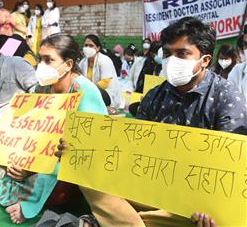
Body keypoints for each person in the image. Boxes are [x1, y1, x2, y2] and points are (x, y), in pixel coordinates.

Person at [58, 17, 243, 227]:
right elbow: (131, 148)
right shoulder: (154, 95)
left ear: (205, 60)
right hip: (148, 189)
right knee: (86, 175)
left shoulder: (227, 97)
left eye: (182, 54)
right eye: (168, 53)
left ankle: (119, 221)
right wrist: (78, 149)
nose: (172, 61)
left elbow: (232, 168)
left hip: (193, 200)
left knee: (208, 219)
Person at [0, 33, 108, 224]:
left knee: (53, 175)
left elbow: (87, 149)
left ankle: (28, 203)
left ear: (69, 64)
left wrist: (31, 169)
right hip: (35, 158)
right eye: (40, 59)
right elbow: (27, 130)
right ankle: (24, 192)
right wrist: (18, 158)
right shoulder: (43, 88)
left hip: (63, 166)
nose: (42, 65)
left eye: (49, 60)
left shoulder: (85, 92)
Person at [79, 34, 124, 110]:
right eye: (86, 45)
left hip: (107, 94)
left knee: (92, 94)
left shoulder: (105, 60)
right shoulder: (83, 62)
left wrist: (88, 89)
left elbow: (105, 83)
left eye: (91, 46)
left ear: (97, 48)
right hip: (89, 92)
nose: (87, 48)